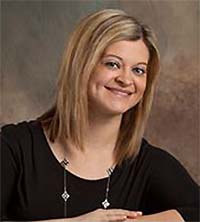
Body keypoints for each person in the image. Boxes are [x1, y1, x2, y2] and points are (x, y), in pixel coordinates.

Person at [1, 9, 199, 222]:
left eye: (138, 70)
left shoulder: (147, 163)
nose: (126, 79)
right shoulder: (14, 147)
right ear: (81, 66)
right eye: (112, 64)